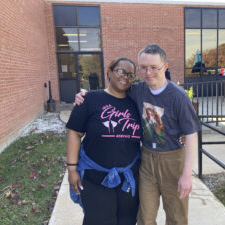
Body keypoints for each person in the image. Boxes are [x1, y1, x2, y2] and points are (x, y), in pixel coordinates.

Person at [75, 44, 201, 225]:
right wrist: (86, 95)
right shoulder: (137, 90)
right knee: (144, 217)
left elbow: (191, 134)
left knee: (177, 217)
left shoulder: (178, 97)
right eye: (143, 67)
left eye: (154, 67)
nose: (148, 72)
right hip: (147, 159)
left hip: (173, 160)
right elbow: (111, 92)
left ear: (165, 67)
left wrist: (187, 174)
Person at [66, 57, 142, 225]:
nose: (125, 77)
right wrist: (72, 170)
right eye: (120, 71)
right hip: (95, 178)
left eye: (130, 75)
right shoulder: (89, 99)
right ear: (109, 72)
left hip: (128, 178)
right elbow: (74, 134)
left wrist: (180, 133)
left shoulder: (137, 103)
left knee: (127, 221)